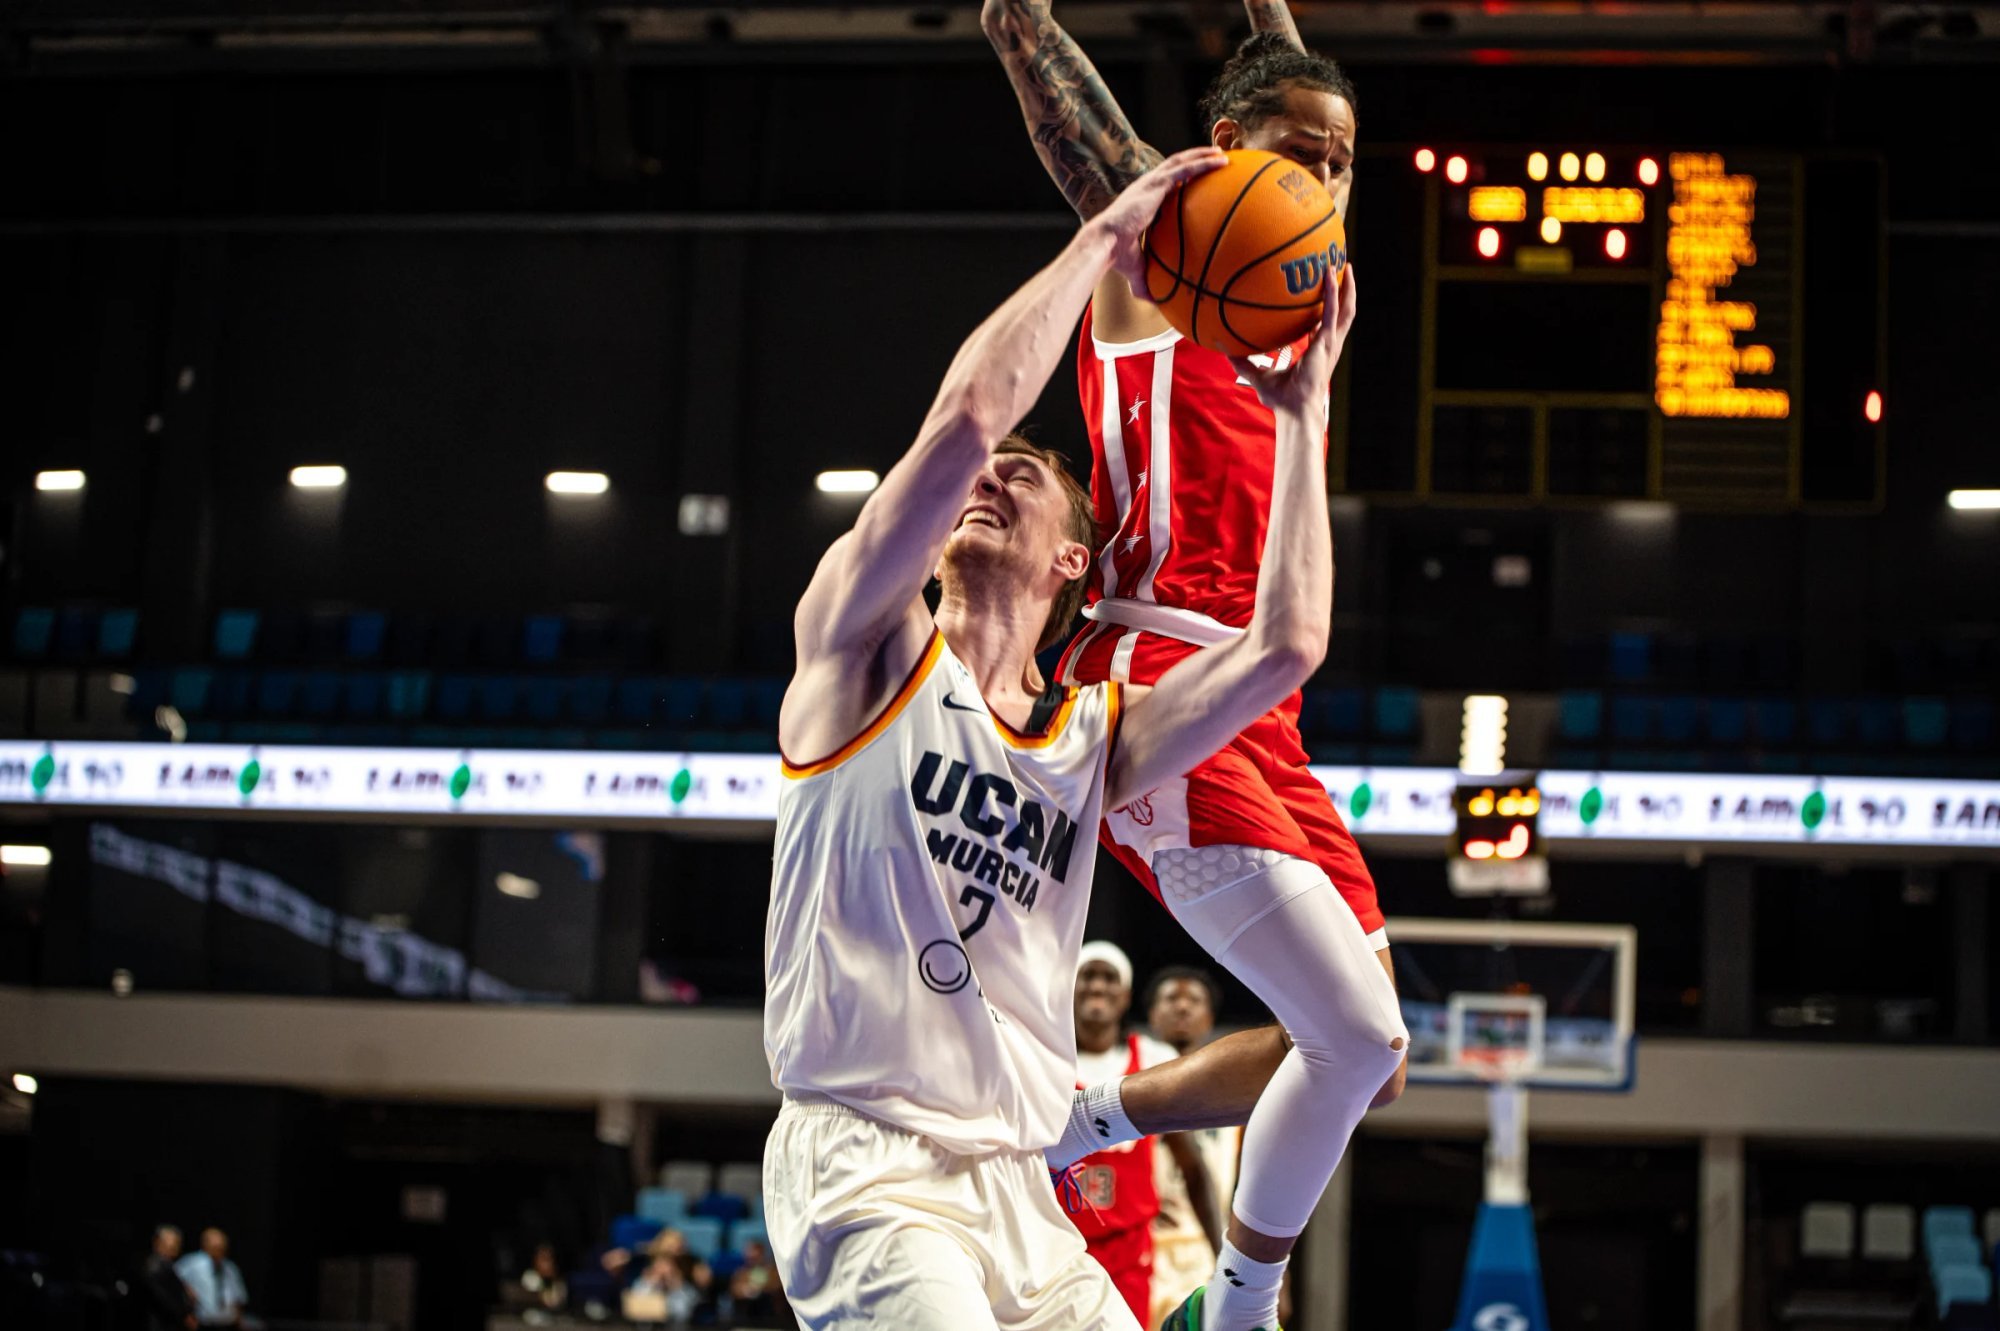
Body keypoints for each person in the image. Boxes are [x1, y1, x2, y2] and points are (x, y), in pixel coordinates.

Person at [762, 145, 1358, 1331]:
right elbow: (964, 420)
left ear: (1073, 560)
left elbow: (1285, 645)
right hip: (867, 1168)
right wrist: (1101, 242)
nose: (989, 477)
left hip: (1021, 1191)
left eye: (1024, 476)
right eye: (981, 476)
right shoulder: (862, 644)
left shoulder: (1088, 736)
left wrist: (1302, 417)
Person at [985, 2, 1410, 1328]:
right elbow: (1099, 155)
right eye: (1301, 153)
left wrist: (1284, 54)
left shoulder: (1297, 308)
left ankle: (1084, 1115)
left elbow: (1296, 108)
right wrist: (1020, 26)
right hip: (1156, 680)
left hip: (1269, 709)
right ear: (1225, 149)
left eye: (1343, 162)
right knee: (1356, 1032)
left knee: (1369, 1056)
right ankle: (1235, 1310)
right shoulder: (1165, 266)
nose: (1325, 179)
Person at [1067, 943, 1222, 1329]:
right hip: (1059, 1247)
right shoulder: (1045, 1058)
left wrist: (1225, 1257)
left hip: (1129, 1256)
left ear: (1125, 996)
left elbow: (1193, 1168)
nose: (1097, 986)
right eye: (1088, 976)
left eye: (1108, 978)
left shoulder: (1153, 1060)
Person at [1142, 968, 1242, 1328]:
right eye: (1171, 999)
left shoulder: (1234, 1094)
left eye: (1194, 1000)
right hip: (1146, 1245)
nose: (1182, 1007)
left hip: (1208, 1245)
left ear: (1209, 1019)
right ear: (1152, 1015)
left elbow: (1249, 1185)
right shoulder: (1128, 1084)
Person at [175, 1228, 248, 1328]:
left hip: (228, 1324)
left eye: (222, 1248)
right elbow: (172, 1282)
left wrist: (239, 1321)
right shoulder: (191, 1263)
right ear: (205, 1245)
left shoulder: (230, 1268)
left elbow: (238, 1298)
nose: (219, 1251)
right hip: (203, 1323)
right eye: (215, 1247)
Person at [140, 1225, 196, 1331]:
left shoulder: (167, 1265)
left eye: (176, 1244)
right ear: (157, 1243)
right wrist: (184, 1315)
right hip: (161, 1323)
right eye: (168, 1245)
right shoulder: (155, 1266)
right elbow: (162, 1297)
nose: (174, 1249)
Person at [511, 1243, 568, 1312]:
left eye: (549, 1259)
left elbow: (558, 1302)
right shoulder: (529, 1276)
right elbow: (528, 1298)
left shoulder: (559, 1282)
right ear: (536, 1260)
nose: (546, 1264)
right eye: (543, 1259)